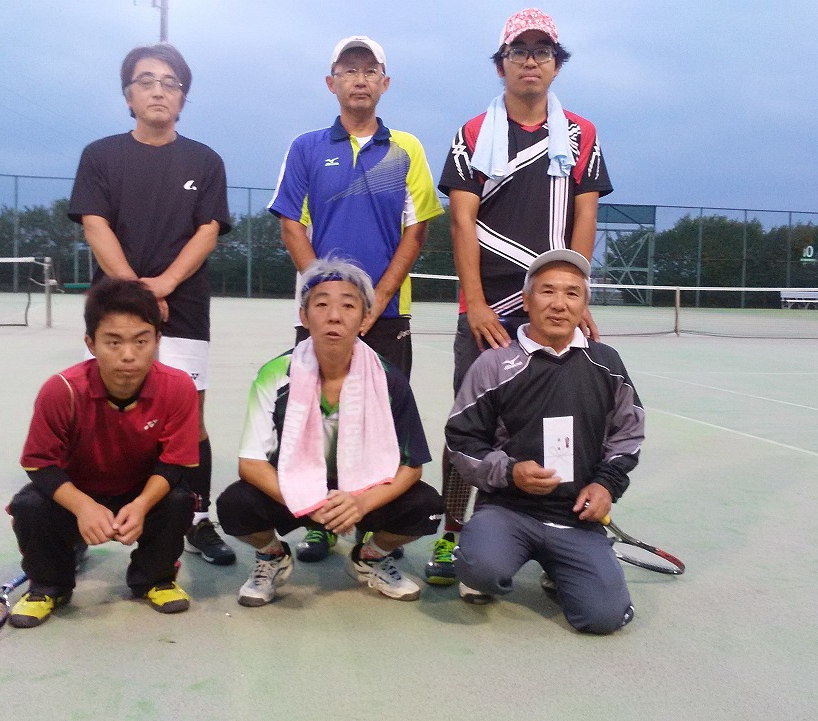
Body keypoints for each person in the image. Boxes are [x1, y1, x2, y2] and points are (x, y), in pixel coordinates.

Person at [432, 8, 614, 591]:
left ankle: (565, 534)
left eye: (542, 51)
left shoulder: (582, 134)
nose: (530, 61)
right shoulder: (471, 133)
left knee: (569, 423)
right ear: (501, 64)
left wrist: (575, 293)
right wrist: (477, 303)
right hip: (488, 311)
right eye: (519, 51)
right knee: (471, 426)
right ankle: (453, 529)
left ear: (556, 65)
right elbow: (462, 221)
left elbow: (586, 216)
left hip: (553, 309)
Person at [268, 35, 443, 563]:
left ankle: (370, 524)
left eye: (370, 71)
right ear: (332, 83)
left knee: (381, 423)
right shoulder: (306, 148)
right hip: (322, 319)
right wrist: (327, 298)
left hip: (388, 315)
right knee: (316, 419)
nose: (360, 79)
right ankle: (320, 521)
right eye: (349, 70)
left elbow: (416, 230)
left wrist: (375, 299)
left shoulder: (406, 148)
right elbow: (291, 226)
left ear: (385, 83)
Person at [68, 43, 236, 566]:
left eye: (170, 83)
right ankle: (82, 520)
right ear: (128, 95)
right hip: (114, 308)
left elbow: (207, 231)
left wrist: (163, 285)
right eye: (146, 81)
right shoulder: (99, 156)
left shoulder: (205, 161)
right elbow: (95, 224)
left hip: (183, 308)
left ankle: (197, 520)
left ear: (183, 98)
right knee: (99, 415)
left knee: (191, 418)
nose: (159, 90)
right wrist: (139, 295)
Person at [216, 258, 443, 607]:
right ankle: (272, 556)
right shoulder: (274, 374)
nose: (334, 316)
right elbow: (251, 463)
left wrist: (360, 502)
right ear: (304, 317)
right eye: (321, 304)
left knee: (427, 507)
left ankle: (370, 557)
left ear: (365, 319)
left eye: (348, 305)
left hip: (361, 493)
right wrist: (308, 500)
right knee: (234, 505)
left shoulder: (389, 379)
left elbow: (411, 466)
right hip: (294, 488)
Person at [444, 249, 641, 634]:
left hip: (575, 518)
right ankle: (490, 555)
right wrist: (510, 472)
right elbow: (461, 440)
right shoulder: (494, 364)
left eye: (572, 293)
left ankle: (563, 569)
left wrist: (605, 484)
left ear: (584, 304)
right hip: (508, 509)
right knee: (481, 568)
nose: (559, 304)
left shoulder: (607, 364)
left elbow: (628, 433)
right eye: (547, 291)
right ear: (526, 300)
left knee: (603, 618)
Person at [7, 279, 200, 628]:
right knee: (30, 505)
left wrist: (141, 505)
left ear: (157, 340)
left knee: (180, 500)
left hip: (139, 491)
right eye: (113, 342)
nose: (128, 354)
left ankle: (154, 579)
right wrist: (83, 506)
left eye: (141, 341)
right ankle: (48, 586)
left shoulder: (178, 387)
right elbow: (40, 464)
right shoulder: (61, 390)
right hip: (77, 491)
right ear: (91, 344)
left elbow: (174, 462)